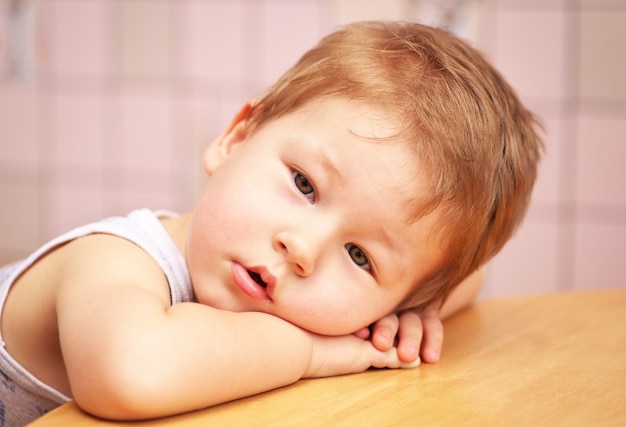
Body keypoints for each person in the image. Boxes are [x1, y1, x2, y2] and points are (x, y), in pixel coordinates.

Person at [0, 20, 542, 424]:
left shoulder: (326, 293)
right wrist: (310, 353)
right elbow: (129, 375)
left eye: (360, 256)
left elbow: (469, 276)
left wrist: (415, 308)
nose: (303, 248)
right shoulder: (114, 259)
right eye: (304, 184)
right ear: (236, 138)